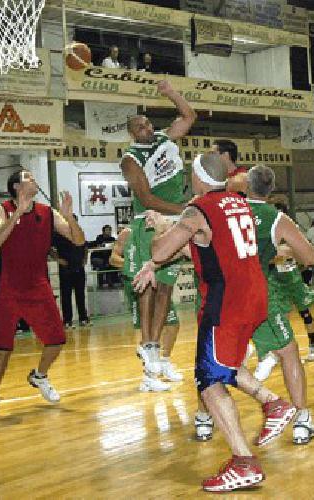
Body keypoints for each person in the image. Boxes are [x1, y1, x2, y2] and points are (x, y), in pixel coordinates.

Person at [134, 153, 297, 492]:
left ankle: (244, 462)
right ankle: (274, 404)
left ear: (196, 177)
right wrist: (154, 261)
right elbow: (209, 243)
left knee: (208, 380)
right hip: (254, 294)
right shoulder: (237, 203)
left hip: (227, 300)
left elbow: (164, 249)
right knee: (225, 363)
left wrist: (161, 229)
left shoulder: (198, 210)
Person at [214, 164, 314, 446]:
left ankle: (206, 419)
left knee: (215, 359)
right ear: (271, 190)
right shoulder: (276, 218)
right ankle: (301, 418)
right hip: (259, 295)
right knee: (289, 353)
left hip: (225, 297)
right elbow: (312, 258)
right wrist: (280, 252)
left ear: (245, 187)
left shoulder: (227, 212)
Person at [0, 169, 86, 422]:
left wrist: (69, 217)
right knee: (3, 347)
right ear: (16, 186)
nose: (34, 179)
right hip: (9, 287)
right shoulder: (3, 209)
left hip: (38, 285)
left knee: (57, 339)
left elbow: (78, 240)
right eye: (28, 177)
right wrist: (18, 213)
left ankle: (39, 375)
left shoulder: (48, 213)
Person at [119, 78, 196, 392]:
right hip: (148, 222)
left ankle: (154, 356)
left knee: (166, 288)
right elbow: (147, 198)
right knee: (147, 287)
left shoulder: (165, 138)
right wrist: (182, 208)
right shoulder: (130, 159)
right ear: (132, 133)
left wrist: (171, 94)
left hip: (173, 223)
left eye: (148, 123)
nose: (147, 128)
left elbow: (189, 117)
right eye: (140, 126)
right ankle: (148, 349)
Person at [110, 227, 184, 384]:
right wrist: (135, 265)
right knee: (146, 331)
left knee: (173, 324)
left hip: (158, 282)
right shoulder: (128, 233)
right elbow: (113, 258)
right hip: (138, 284)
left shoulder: (162, 229)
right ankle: (149, 376)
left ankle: (164, 361)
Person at [51, 214, 90, 328]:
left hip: (79, 267)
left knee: (80, 294)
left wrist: (84, 260)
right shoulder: (58, 235)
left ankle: (83, 319)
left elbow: (85, 247)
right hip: (66, 269)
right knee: (66, 295)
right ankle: (67, 321)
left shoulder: (79, 233)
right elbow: (50, 249)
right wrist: (58, 259)